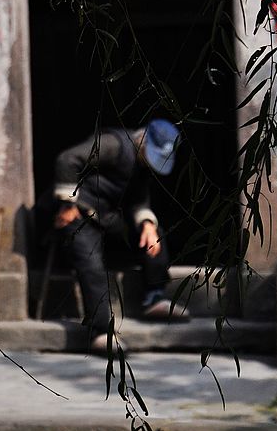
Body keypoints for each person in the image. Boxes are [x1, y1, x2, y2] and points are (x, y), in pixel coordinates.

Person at [50, 119, 189, 349]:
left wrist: (146, 223)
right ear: (142, 140)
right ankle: (101, 332)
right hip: (78, 211)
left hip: (108, 216)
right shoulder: (113, 144)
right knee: (91, 263)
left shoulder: (143, 166)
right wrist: (67, 204)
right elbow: (68, 159)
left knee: (152, 234)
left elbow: (138, 201)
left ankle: (154, 296)